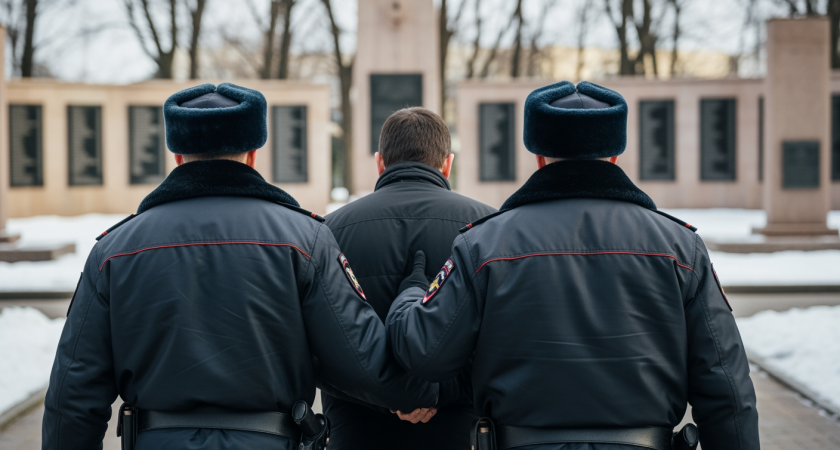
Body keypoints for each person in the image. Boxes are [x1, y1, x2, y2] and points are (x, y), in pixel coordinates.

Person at [41, 83, 438, 450]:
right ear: (252, 154)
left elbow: (73, 394)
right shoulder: (304, 240)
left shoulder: (114, 250)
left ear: (178, 156)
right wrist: (415, 386)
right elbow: (363, 360)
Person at [386, 81, 760, 450]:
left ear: (538, 156)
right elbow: (727, 390)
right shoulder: (680, 248)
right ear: (614, 155)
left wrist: (411, 292)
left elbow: (425, 354)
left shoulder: (483, 245)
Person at [321, 107, 496, 450]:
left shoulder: (327, 231)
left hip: (357, 431)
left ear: (380, 163)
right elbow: (498, 344)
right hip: (459, 432)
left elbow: (319, 349)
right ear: (447, 163)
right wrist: (436, 394)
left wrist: (395, 396)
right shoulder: (489, 227)